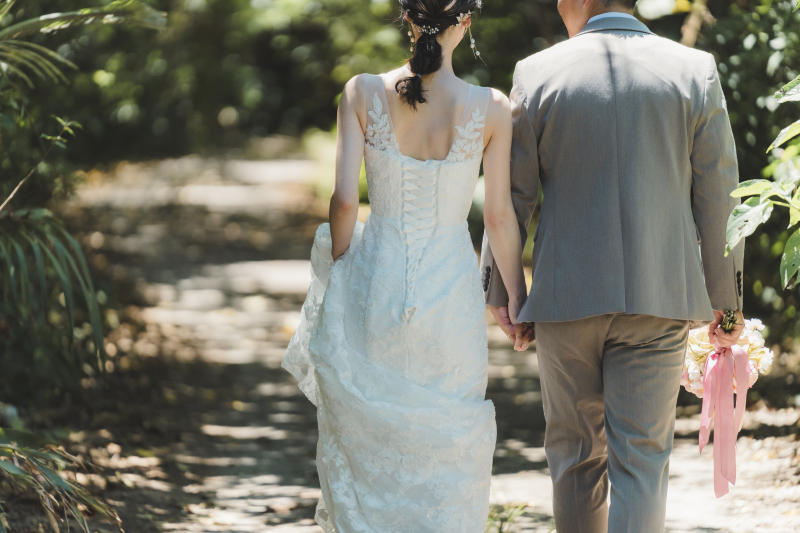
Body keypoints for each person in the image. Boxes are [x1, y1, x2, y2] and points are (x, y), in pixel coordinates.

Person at [480, 0, 745, 531]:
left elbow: (510, 197)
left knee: (575, 457)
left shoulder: (537, 74)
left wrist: (499, 291)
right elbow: (721, 194)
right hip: (660, 297)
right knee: (643, 461)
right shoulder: (693, 70)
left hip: (565, 299)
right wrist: (727, 300)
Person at [283, 1, 529, 530]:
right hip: (451, 298)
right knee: (446, 451)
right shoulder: (491, 108)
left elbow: (345, 202)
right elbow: (501, 217)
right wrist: (517, 299)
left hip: (377, 284)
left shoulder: (362, 92)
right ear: (467, 22)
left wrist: (343, 272)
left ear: (407, 19)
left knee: (368, 444)